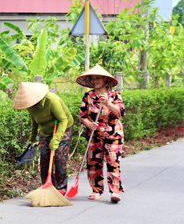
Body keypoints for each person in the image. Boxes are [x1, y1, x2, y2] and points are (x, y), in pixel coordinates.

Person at [13, 82, 73, 195]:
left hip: (63, 128)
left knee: (59, 157)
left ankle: (61, 187)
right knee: (44, 158)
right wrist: (33, 136)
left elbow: (63, 120)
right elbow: (34, 121)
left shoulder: (52, 101)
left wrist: (56, 140)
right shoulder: (30, 105)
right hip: (45, 131)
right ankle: (47, 185)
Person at [77, 65, 125, 203]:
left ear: (105, 80)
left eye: (98, 78)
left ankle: (115, 191)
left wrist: (108, 103)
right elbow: (82, 115)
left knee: (113, 161)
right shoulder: (88, 96)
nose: (95, 81)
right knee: (93, 163)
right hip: (94, 135)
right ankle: (96, 190)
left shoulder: (115, 95)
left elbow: (120, 113)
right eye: (93, 79)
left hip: (113, 134)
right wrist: (89, 124)